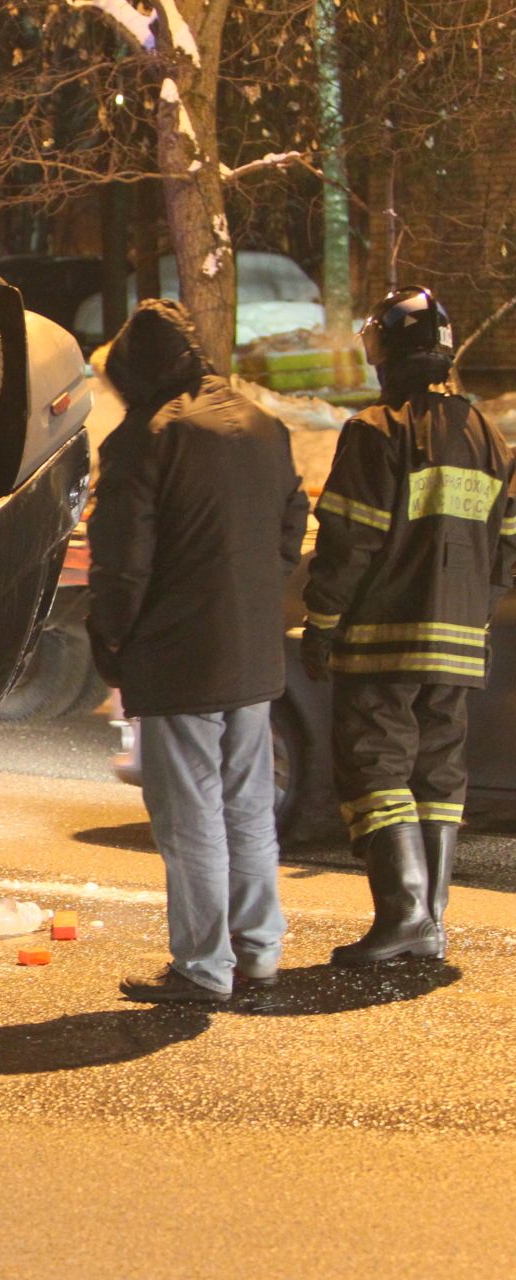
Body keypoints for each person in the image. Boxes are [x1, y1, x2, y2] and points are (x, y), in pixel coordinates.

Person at [87, 300, 308, 1002]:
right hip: (251, 652)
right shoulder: (263, 425)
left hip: (180, 654)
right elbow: (291, 523)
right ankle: (259, 952)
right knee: (247, 808)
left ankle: (204, 967)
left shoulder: (147, 439)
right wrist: (253, 589)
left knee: (191, 818)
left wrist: (113, 638)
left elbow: (123, 562)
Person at [302, 286, 516, 967]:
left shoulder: (377, 429)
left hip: (382, 637)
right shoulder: (489, 437)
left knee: (374, 765)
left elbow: (349, 541)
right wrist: (473, 611)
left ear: (390, 351)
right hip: (458, 642)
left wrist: (322, 622)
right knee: (438, 770)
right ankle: (431, 919)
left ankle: (403, 915)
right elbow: (507, 544)